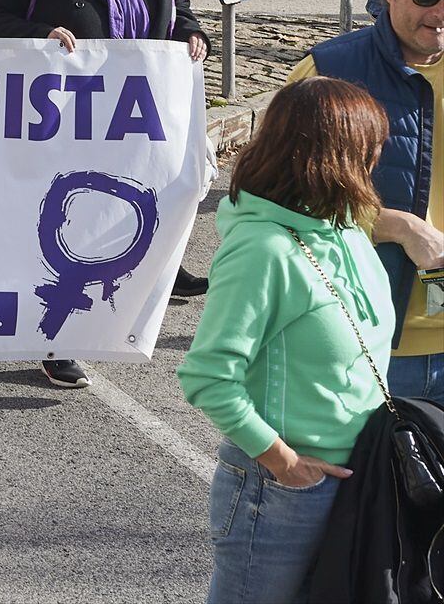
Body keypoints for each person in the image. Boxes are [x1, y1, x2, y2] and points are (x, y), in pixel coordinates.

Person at [0, 0, 208, 387]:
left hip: (135, 116)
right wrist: (41, 36)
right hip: (62, 117)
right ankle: (59, 339)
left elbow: (177, 10)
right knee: (65, 225)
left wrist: (192, 32)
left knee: (129, 218)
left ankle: (119, 317)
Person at [177, 77, 395, 604]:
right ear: (335, 157)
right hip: (282, 493)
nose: (378, 158)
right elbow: (208, 378)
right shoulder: (262, 251)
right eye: (371, 146)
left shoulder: (345, 229)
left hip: (359, 478)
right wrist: (284, 464)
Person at [288, 0, 444, 400]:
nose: (441, 12)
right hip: (366, 349)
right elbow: (271, 205)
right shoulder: (328, 74)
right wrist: (394, 225)